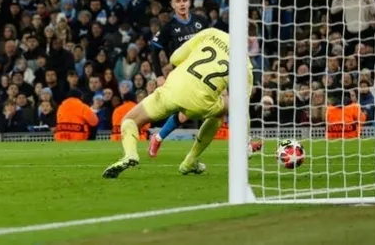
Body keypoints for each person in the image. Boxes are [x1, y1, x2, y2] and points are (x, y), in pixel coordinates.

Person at [103, 28, 261, 178]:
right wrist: (245, 142)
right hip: (202, 103)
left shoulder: (212, 33)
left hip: (174, 88)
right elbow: (242, 110)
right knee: (223, 109)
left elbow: (175, 58)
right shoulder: (246, 67)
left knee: (130, 120)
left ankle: (130, 154)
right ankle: (190, 161)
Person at [148, 0, 210, 157]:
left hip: (206, 71)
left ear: (190, 2)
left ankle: (245, 142)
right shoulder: (168, 28)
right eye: (178, 1)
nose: (182, 4)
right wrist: (159, 76)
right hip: (184, 76)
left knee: (226, 104)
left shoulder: (201, 22)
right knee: (186, 113)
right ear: (172, 5)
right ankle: (158, 137)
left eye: (184, 0)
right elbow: (154, 51)